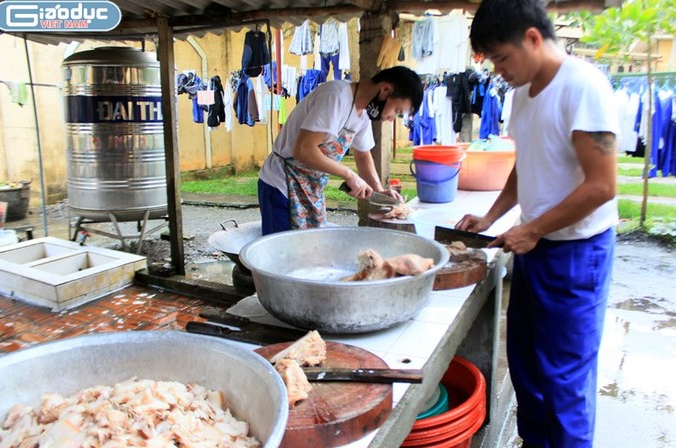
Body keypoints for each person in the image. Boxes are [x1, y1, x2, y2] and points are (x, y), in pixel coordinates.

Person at [459, 1, 619, 447]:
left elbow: (602, 186)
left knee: (564, 379)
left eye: (502, 58)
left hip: (576, 254)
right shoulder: (520, 95)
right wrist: (492, 216)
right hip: (536, 246)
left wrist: (533, 228)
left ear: (532, 38)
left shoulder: (582, 86)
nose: (499, 71)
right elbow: (526, 165)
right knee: (527, 365)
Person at [257, 66, 422, 235]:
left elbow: (363, 155)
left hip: (310, 190)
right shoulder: (335, 96)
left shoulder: (363, 113)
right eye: (397, 111)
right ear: (385, 89)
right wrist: (349, 174)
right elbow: (304, 149)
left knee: (309, 252)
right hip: (280, 185)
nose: (391, 118)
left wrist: (379, 190)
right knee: (282, 255)